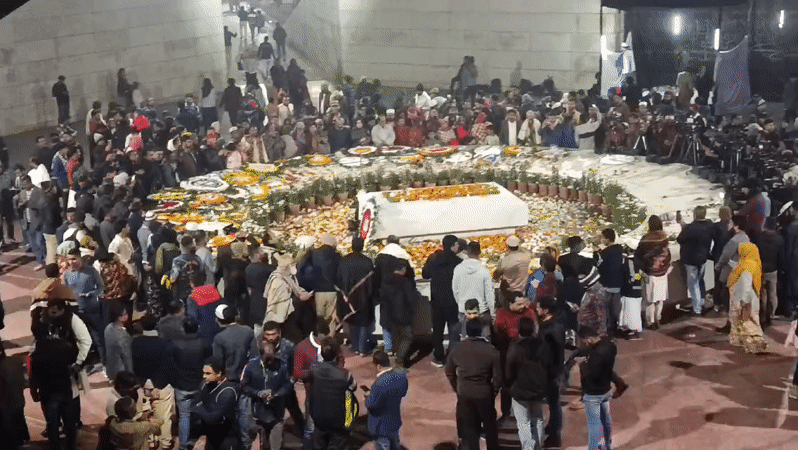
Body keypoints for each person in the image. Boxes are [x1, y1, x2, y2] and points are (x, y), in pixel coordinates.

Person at [29, 295, 84, 450]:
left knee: (52, 424)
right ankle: (71, 447)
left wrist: (34, 390)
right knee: (70, 424)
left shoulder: (38, 349)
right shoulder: (66, 347)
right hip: (65, 389)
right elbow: (77, 363)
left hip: (48, 392)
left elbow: (33, 371)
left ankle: (55, 447)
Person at [445, 320, 502, 450]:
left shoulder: (457, 349)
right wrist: (492, 391)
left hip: (465, 393)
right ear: (481, 331)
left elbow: (449, 372)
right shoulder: (491, 350)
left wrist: (457, 387)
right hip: (485, 393)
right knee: (490, 429)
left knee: (470, 429)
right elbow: (498, 377)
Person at [293, 318, 345, 450]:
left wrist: (334, 370)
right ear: (316, 336)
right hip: (314, 397)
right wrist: (313, 371)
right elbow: (297, 373)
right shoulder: (302, 347)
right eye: (324, 339)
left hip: (334, 397)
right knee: (311, 430)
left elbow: (341, 359)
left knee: (333, 430)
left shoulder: (331, 343)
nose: (326, 342)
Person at [130, 314, 176, 450]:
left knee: (146, 416)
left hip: (143, 384)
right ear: (156, 325)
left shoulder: (135, 342)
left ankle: (151, 442)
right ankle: (166, 444)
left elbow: (134, 365)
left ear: (141, 325)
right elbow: (170, 365)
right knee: (164, 419)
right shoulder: (165, 343)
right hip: (162, 385)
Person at [505, 317, 550, 450]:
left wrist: (509, 385)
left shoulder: (515, 347)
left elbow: (508, 372)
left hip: (520, 391)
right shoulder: (543, 345)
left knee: (523, 423)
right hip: (539, 390)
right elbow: (550, 366)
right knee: (538, 419)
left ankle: (528, 448)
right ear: (533, 329)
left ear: (519, 331)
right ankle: (539, 446)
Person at [241, 339, 292, 450]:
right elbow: (244, 386)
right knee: (263, 445)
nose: (269, 363)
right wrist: (257, 393)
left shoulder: (282, 365)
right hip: (258, 413)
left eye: (271, 359)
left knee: (276, 446)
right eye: (266, 360)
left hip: (277, 413)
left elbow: (287, 385)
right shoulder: (250, 366)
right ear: (260, 355)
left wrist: (277, 394)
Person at [308, 337, 358, 450]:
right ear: (336, 354)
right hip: (338, 420)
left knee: (319, 445)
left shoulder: (314, 370)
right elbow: (353, 387)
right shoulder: (345, 375)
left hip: (318, 417)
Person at [495, 295, 538, 420]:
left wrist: (513, 333)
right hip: (506, 354)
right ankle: (506, 413)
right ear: (510, 304)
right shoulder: (502, 313)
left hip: (526, 355)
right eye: (519, 304)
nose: (523, 307)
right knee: (506, 385)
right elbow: (500, 330)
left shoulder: (529, 313)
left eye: (524, 303)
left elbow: (534, 331)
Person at [172, 317, 212, 450]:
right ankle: (197, 437)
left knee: (184, 415)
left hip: (182, 385)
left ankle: (183, 444)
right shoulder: (203, 343)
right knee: (198, 411)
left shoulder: (176, 344)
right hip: (197, 384)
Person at [422, 235, 461, 367]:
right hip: (452, 301)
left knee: (438, 330)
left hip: (437, 300)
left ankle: (438, 357)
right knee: (454, 330)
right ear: (453, 246)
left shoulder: (434, 259)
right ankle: (453, 357)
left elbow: (425, 274)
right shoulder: (458, 262)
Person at [577, 326, 617, 450]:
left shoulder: (595, 355)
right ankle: (608, 445)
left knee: (594, 425)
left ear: (588, 339)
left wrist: (583, 367)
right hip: (606, 390)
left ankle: (593, 448)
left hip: (593, 394)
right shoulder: (610, 347)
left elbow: (592, 375)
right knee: (606, 420)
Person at [336, 237, 375, 356]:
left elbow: (339, 279)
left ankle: (355, 346)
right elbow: (372, 282)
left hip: (349, 296)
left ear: (352, 246)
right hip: (364, 296)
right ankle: (362, 349)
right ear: (362, 246)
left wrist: (344, 294)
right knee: (363, 322)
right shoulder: (368, 261)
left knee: (352, 320)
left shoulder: (344, 260)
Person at [363, 350, 409, 450]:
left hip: (380, 427)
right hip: (394, 422)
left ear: (378, 366)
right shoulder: (401, 376)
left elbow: (371, 404)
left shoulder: (379, 383)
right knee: (395, 446)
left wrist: (367, 397)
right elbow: (403, 392)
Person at [192, 357, 239, 450]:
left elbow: (213, 418)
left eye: (208, 373)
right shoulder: (205, 385)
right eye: (204, 373)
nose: (204, 376)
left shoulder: (227, 391)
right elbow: (193, 406)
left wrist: (200, 411)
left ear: (219, 374)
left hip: (226, 439)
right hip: (211, 436)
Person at [728, 243, 768, 353]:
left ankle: (755, 345)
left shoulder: (747, 265)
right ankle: (747, 343)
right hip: (750, 298)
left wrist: (744, 302)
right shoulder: (750, 262)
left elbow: (746, 283)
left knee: (747, 322)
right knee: (748, 321)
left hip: (744, 299)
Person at [634, 216, 672, 330]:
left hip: (650, 272)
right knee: (660, 298)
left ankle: (650, 322)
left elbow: (639, 255)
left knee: (650, 299)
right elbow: (667, 253)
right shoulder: (664, 237)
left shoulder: (646, 238)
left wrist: (643, 269)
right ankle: (658, 319)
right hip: (663, 272)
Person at [265, 252, 313, 342]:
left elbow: (296, 288)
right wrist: (299, 299)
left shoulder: (287, 277)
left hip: (293, 316)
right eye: (292, 265)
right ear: (286, 266)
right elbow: (279, 301)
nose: (294, 267)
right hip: (285, 317)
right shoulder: (278, 281)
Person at [452, 241, 495, 336]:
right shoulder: (484, 270)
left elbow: (455, 290)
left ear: (467, 252)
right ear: (479, 252)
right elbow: (489, 294)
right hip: (482, 311)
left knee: (465, 341)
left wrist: (461, 304)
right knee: (484, 341)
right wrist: (492, 313)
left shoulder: (458, 269)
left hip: (464, 311)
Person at [379, 259, 417, 370]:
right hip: (402, 315)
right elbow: (411, 300)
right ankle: (400, 359)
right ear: (404, 269)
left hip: (388, 315)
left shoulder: (385, 281)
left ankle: (394, 357)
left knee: (396, 337)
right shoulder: (406, 282)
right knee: (407, 337)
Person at [676, 206, 714, 315]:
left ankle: (697, 309)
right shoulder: (709, 225)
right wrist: (681, 222)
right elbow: (690, 230)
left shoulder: (691, 228)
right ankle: (701, 302)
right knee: (700, 280)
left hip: (690, 259)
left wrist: (683, 224)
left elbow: (680, 239)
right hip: (703, 259)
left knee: (693, 284)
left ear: (695, 215)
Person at [716, 215, 750, 333]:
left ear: (736, 226)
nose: (729, 224)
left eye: (731, 223)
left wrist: (718, 266)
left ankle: (731, 324)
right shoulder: (746, 238)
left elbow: (725, 256)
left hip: (732, 274)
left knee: (729, 300)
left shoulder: (734, 240)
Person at [212, 304, 258, 382]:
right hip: (247, 377)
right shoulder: (248, 331)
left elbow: (218, 362)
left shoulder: (219, 338)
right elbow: (254, 355)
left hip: (228, 379)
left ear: (220, 320)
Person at [309, 233, 342, 332]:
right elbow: (340, 274)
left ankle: (318, 341)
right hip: (332, 290)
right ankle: (330, 342)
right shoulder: (338, 256)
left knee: (319, 318)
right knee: (331, 319)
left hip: (317, 291)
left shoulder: (314, 254)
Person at [593, 228, 624, 336]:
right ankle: (614, 328)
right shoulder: (620, 251)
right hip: (618, 284)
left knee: (605, 309)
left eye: (602, 237)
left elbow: (599, 266)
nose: (601, 240)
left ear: (607, 238)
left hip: (606, 284)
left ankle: (606, 330)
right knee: (615, 310)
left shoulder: (605, 253)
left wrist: (596, 254)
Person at [756, 217, 782, 328]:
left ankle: (762, 315)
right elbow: (781, 256)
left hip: (761, 268)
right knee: (772, 293)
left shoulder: (759, 237)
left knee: (763, 294)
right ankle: (770, 315)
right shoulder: (779, 239)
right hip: (773, 268)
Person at [493, 235, 531, 309]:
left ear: (508, 246)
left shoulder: (506, 260)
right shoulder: (526, 257)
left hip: (509, 293)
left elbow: (496, 276)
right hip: (523, 291)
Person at [619, 247, 644, 340]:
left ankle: (633, 330)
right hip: (638, 290)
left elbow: (625, 277)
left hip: (629, 291)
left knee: (630, 311)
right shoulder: (640, 262)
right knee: (636, 311)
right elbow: (639, 276)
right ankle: (636, 329)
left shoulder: (626, 263)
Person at [104, 303, 133, 382]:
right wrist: (132, 375)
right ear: (119, 318)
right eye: (125, 314)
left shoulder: (108, 328)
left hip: (110, 369)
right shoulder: (123, 336)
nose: (127, 315)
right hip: (121, 373)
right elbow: (127, 359)